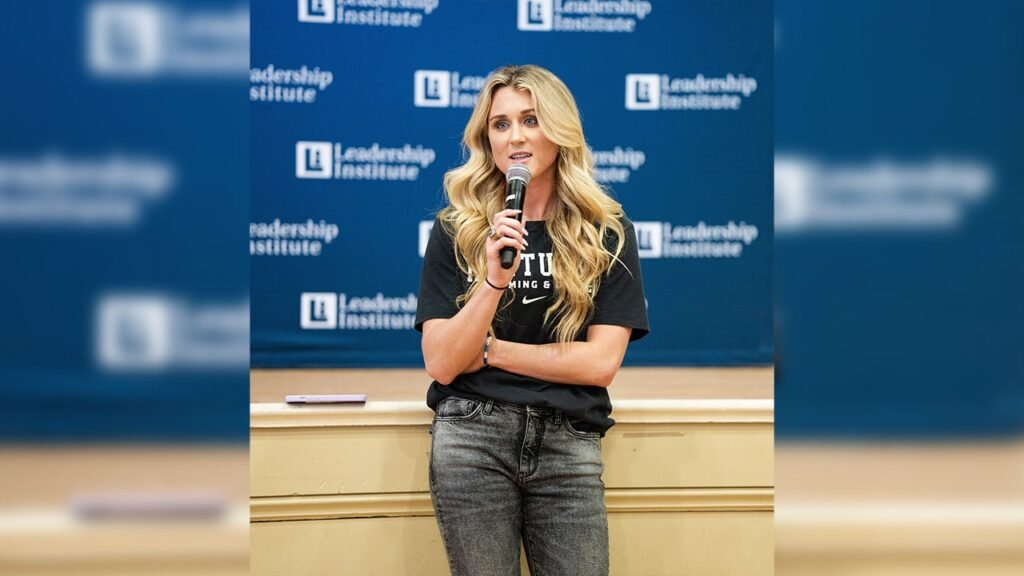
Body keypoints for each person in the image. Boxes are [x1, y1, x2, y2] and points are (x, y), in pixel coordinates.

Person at [415, 64, 649, 576]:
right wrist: (493, 280)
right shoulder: (457, 230)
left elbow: (599, 364)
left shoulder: (606, 232)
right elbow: (443, 361)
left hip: (569, 439)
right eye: (500, 124)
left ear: (560, 131)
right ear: (487, 139)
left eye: (530, 120)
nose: (515, 137)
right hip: (472, 436)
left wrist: (491, 351)